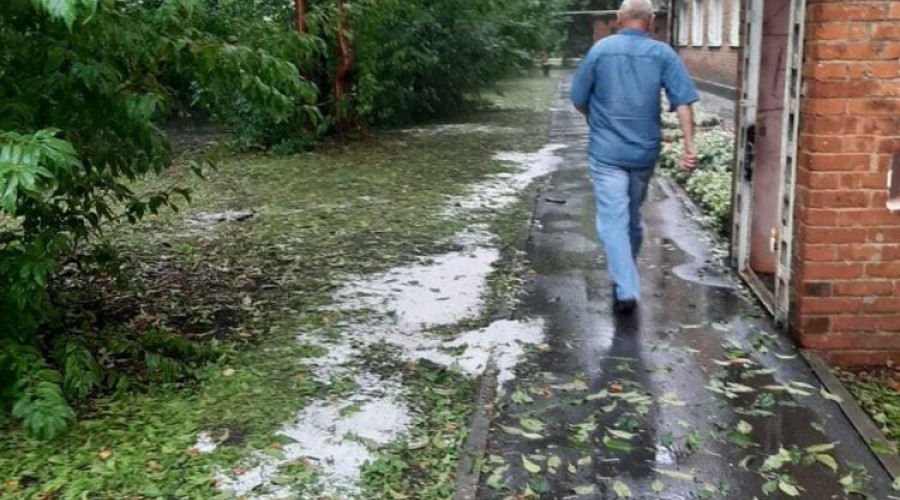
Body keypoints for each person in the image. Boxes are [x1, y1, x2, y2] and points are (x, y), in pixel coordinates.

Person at [570, 0, 699, 315]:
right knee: (628, 215)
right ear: (651, 21)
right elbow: (683, 102)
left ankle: (624, 283)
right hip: (644, 152)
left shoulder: (600, 51)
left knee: (617, 218)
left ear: (618, 19)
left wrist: (595, 121)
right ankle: (625, 284)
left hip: (607, 152)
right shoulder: (662, 54)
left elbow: (578, 98)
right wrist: (689, 145)